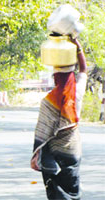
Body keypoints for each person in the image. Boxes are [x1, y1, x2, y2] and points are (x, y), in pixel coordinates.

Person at [31, 37, 87, 200]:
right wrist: (77, 45)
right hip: (72, 150)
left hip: (52, 154)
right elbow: (83, 70)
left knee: (54, 190)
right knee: (72, 189)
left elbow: (42, 132)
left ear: (56, 78)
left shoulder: (48, 101)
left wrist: (37, 153)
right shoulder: (77, 92)